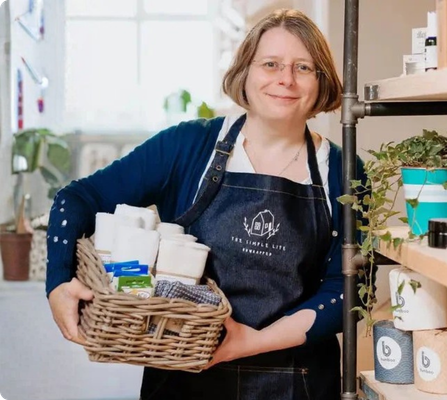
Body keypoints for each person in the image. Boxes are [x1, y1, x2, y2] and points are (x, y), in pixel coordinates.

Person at [46, 8, 368, 400]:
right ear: (245, 73)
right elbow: (76, 198)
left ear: (322, 83)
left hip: (296, 380)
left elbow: (348, 289)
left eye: (304, 67)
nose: (286, 79)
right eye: (271, 64)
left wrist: (251, 341)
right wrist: (58, 282)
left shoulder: (343, 171)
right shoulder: (187, 146)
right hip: (182, 374)